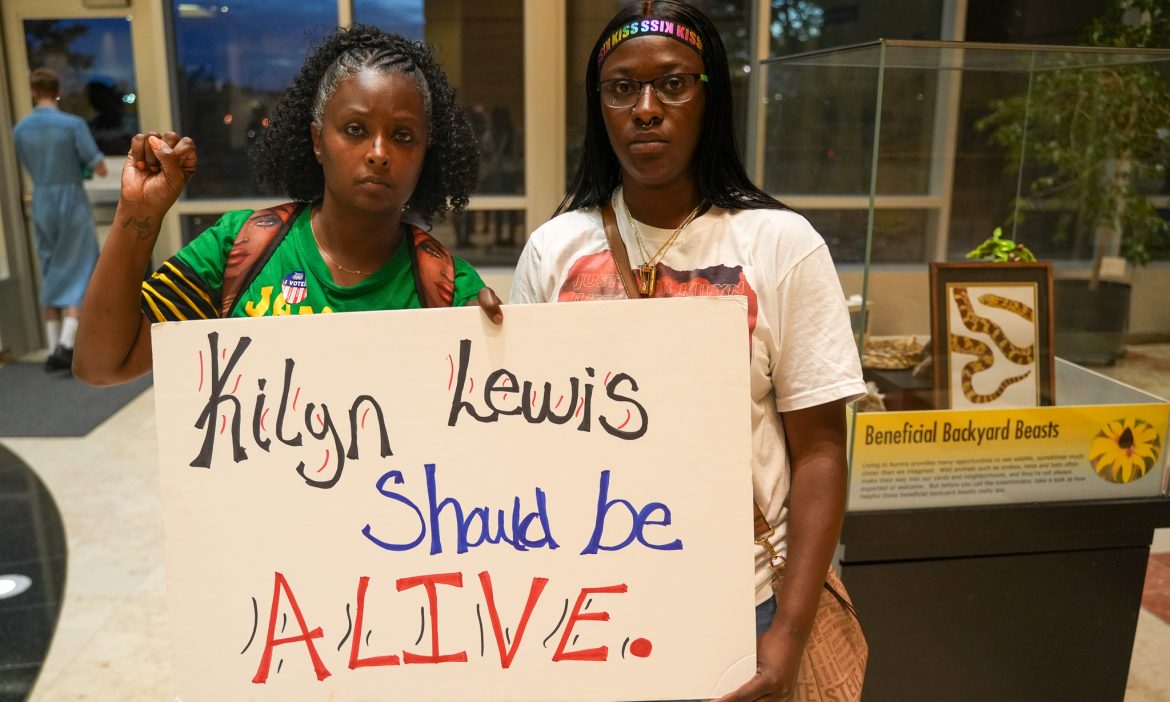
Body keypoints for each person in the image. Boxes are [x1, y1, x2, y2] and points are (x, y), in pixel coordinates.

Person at [508, 2, 866, 700]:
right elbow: (525, 446)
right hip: (587, 601)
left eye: (673, 84)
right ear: (599, 106)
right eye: (622, 88)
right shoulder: (553, 251)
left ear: (711, 96)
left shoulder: (781, 245)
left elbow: (821, 453)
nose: (646, 109)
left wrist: (789, 632)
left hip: (743, 602)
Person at [74, 25, 501, 387]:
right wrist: (138, 214)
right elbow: (100, 365)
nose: (378, 153)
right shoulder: (238, 249)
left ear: (426, 152)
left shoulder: (447, 289)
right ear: (317, 141)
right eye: (355, 129)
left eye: (403, 136)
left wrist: (493, 350)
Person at [13, 67, 109, 373]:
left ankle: (52, 345)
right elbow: (100, 167)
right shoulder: (72, 125)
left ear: (32, 92)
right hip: (71, 201)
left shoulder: (21, 130)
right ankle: (67, 344)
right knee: (80, 266)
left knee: (51, 267)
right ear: (58, 91)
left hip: (42, 201)